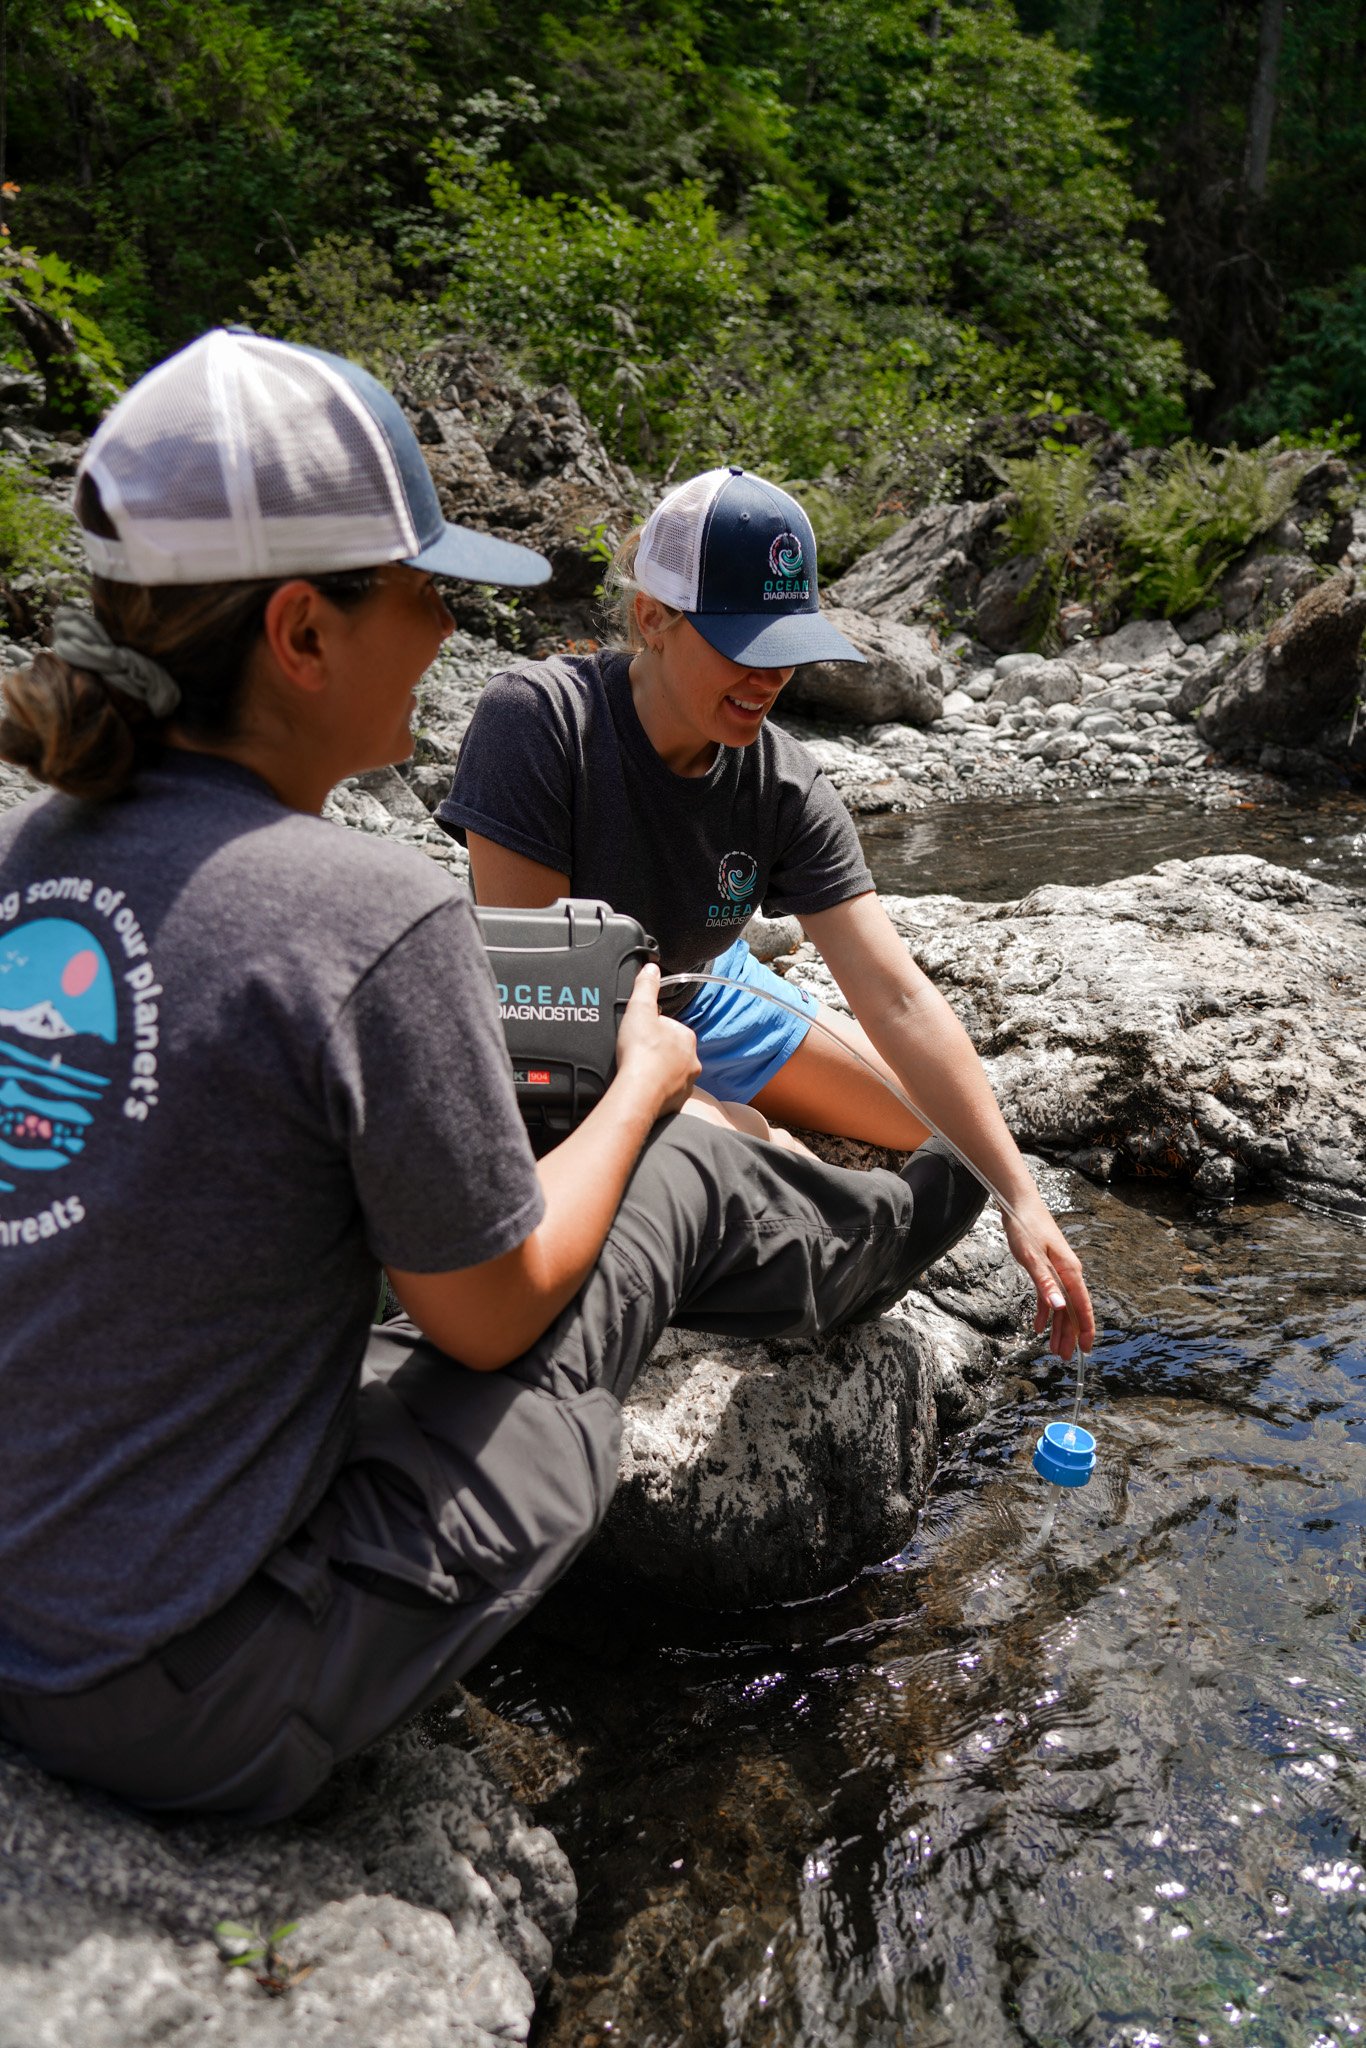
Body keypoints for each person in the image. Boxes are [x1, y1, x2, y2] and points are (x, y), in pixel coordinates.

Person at [0, 333, 1006, 1826]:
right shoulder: (361, 908)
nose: (446, 630)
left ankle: (876, 1197)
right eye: (425, 592)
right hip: (183, 1700)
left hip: (29, 1614)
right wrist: (645, 1082)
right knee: (610, 1284)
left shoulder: (31, 854)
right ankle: (875, 1232)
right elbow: (496, 1305)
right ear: (301, 632)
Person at [437, 466, 1095, 1356]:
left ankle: (828, 1190)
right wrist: (719, 1119)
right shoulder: (542, 722)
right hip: (564, 1018)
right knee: (742, 1147)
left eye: (786, 643)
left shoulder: (780, 778)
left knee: (943, 1132)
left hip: (699, 989)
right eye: (744, 643)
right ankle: (798, 1199)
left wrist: (1021, 1195)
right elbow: (539, 1007)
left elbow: (892, 992)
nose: (771, 675)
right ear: (652, 620)